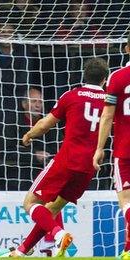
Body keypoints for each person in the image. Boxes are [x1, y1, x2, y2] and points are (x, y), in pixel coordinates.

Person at [11, 58, 110, 257]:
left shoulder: (72, 95)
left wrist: (29, 134)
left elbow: (46, 124)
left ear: (84, 75)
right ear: (104, 79)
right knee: (52, 210)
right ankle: (22, 251)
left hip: (66, 161)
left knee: (30, 203)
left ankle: (58, 233)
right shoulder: (109, 100)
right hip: (88, 167)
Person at [93, 33, 130, 259]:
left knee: (126, 201)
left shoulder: (117, 77)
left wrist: (99, 148)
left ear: (127, 49)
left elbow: (107, 116)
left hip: (125, 150)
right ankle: (128, 250)